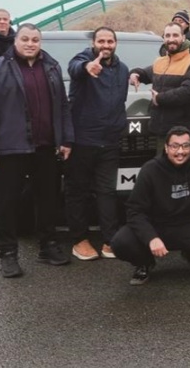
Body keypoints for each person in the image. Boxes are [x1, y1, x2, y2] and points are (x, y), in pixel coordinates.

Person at [0, 23, 74, 278]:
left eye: (35, 40)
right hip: (10, 148)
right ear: (15, 41)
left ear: (40, 43)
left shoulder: (51, 67)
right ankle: (7, 254)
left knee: (48, 201)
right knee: (7, 203)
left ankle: (48, 246)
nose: (30, 44)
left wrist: (65, 139)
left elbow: (62, 106)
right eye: (25, 39)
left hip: (46, 147)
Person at [110, 126, 190, 285]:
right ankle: (145, 262)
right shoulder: (150, 169)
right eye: (175, 146)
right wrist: (151, 238)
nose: (180, 151)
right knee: (120, 243)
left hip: (189, 225)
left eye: (185, 146)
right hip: (156, 226)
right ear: (166, 148)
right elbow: (134, 211)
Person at [65, 27, 130, 262]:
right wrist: (87, 67)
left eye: (110, 41)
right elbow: (74, 67)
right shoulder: (84, 60)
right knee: (78, 191)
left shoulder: (123, 69)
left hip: (110, 141)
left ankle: (110, 239)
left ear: (116, 43)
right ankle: (79, 239)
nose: (106, 45)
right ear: (93, 43)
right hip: (83, 140)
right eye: (101, 41)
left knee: (107, 192)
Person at [129, 22, 190, 151]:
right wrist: (135, 74)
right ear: (164, 38)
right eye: (167, 35)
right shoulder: (160, 62)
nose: (171, 39)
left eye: (175, 35)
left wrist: (159, 98)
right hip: (162, 132)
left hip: (186, 134)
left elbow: (188, 92)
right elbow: (145, 73)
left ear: (183, 38)